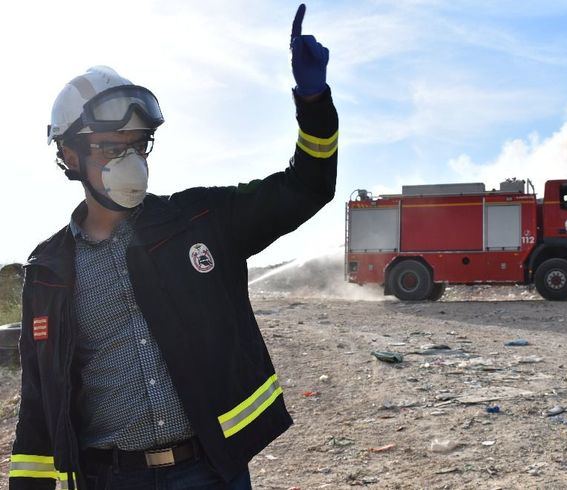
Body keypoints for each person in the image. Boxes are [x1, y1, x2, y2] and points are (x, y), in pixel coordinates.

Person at [9, 4, 336, 489]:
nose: (131, 162)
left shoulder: (200, 222)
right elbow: (41, 397)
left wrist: (313, 103)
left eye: (139, 145)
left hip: (207, 471)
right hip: (108, 478)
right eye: (111, 148)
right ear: (70, 155)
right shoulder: (49, 269)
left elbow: (307, 186)